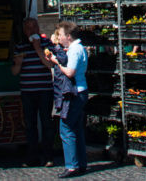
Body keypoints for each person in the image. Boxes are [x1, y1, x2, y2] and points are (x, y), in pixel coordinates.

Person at [43, 21, 88, 178]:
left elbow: (70, 72)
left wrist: (56, 62)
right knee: (76, 129)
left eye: (61, 35)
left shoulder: (75, 50)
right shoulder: (77, 48)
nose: (59, 37)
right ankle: (81, 163)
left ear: (68, 37)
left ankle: (71, 166)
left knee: (66, 128)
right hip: (81, 90)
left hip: (74, 93)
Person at [12, 17, 55, 167]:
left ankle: (48, 155)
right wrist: (18, 63)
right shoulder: (20, 46)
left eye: (34, 27)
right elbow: (15, 72)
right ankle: (32, 155)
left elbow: (50, 64)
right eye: (28, 28)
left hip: (44, 90)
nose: (32, 30)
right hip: (28, 91)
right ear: (25, 31)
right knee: (30, 125)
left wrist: (38, 49)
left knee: (46, 123)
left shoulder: (47, 44)